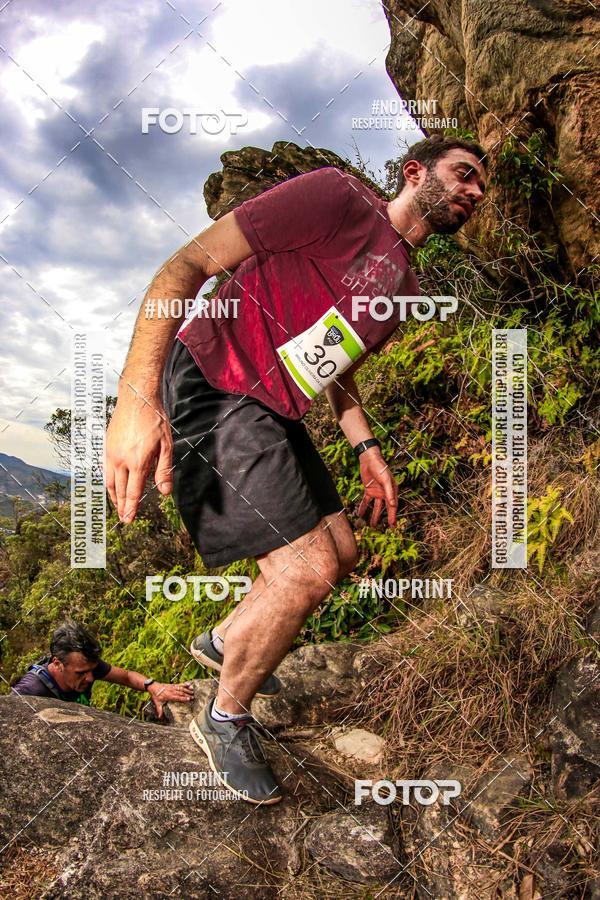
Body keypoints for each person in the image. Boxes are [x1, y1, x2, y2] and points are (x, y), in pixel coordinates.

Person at [106, 134, 487, 804]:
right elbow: (186, 264)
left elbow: (336, 373)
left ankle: (227, 640)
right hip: (215, 378)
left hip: (273, 409)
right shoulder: (337, 199)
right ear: (414, 172)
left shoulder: (404, 287)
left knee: (341, 551)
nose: (474, 192)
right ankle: (223, 717)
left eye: (481, 186)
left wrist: (368, 452)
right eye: (464, 174)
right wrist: (137, 398)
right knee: (305, 569)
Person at [11, 619, 194, 718]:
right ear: (57, 664)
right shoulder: (29, 690)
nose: (91, 678)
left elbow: (127, 677)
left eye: (92, 670)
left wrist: (154, 687)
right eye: (81, 673)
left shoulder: (85, 667)